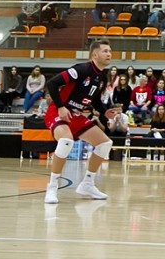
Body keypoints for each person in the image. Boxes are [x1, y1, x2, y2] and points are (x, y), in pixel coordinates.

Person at [43, 39, 117, 203]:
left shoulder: (101, 77)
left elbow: (94, 100)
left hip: (76, 115)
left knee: (105, 143)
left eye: (110, 51)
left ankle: (87, 184)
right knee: (66, 141)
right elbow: (52, 83)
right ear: (94, 54)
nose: (109, 54)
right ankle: (52, 186)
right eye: (105, 51)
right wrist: (61, 107)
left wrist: (105, 112)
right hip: (58, 111)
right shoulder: (81, 69)